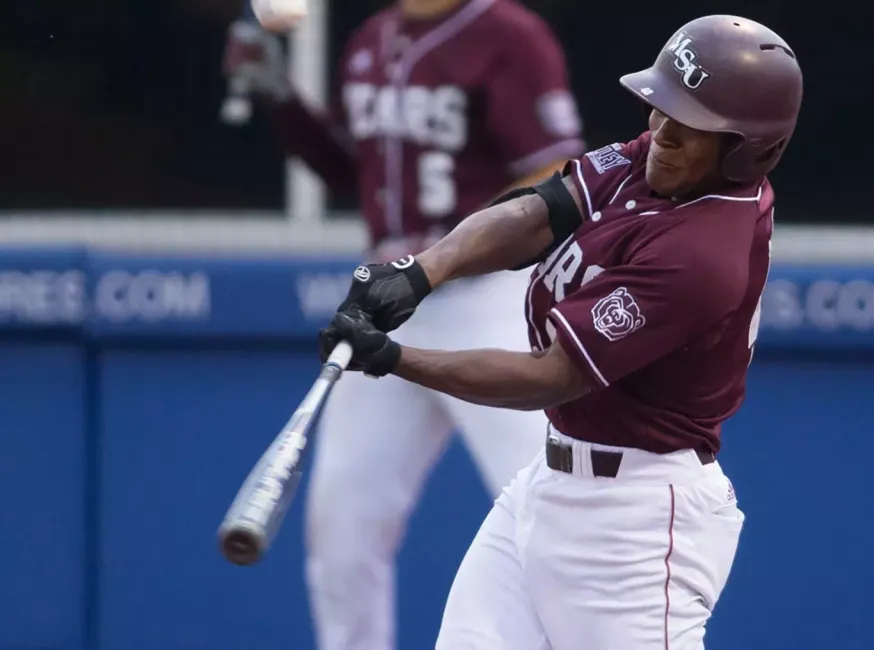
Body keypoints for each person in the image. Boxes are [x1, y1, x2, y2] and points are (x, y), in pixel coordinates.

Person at [320, 13, 803, 650]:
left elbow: (551, 378)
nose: (659, 132)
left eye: (689, 128)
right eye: (662, 111)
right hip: (546, 486)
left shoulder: (702, 254)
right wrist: (419, 273)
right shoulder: (660, 159)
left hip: (635, 522)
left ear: (747, 150)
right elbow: (542, 210)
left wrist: (395, 358)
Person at [221, 1, 585, 648]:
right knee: (342, 530)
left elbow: (553, 173)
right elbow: (349, 168)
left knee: (551, 508)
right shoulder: (369, 39)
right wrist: (283, 100)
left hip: (488, 296)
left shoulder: (507, 34)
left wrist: (441, 260)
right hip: (388, 300)